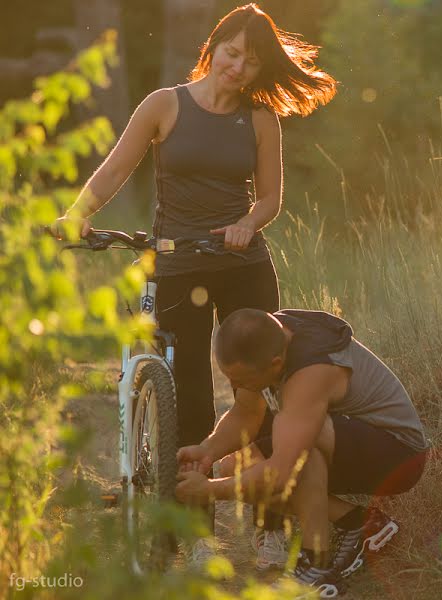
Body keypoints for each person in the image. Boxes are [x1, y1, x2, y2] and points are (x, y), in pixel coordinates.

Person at [50, 3, 337, 569]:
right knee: (192, 398)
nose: (237, 69)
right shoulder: (165, 105)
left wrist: (245, 226)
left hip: (241, 264)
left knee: (257, 395)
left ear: (260, 71)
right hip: (177, 264)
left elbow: (270, 199)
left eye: (251, 63)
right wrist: (77, 213)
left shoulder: (259, 119)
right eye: (231, 55)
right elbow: (115, 169)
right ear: (214, 47)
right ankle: (198, 533)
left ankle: (269, 526)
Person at [174, 308, 429, 596]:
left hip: (399, 454)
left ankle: (317, 567)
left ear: (276, 363)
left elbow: (282, 471)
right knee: (232, 468)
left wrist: (209, 491)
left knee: (301, 444)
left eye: (240, 379)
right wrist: (206, 450)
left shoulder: (310, 372)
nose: (234, 386)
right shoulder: (268, 340)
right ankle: (359, 523)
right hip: (346, 437)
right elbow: (245, 414)